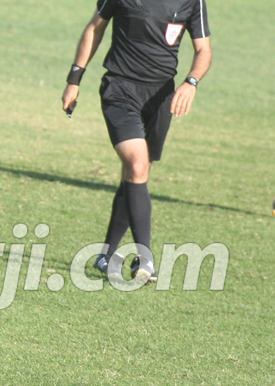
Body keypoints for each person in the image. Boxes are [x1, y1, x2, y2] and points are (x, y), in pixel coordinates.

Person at [61, 0, 212, 282]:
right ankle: (146, 259)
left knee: (136, 175)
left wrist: (191, 82)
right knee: (137, 163)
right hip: (120, 88)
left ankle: (106, 255)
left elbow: (203, 49)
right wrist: (74, 79)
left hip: (161, 96)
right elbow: (95, 27)